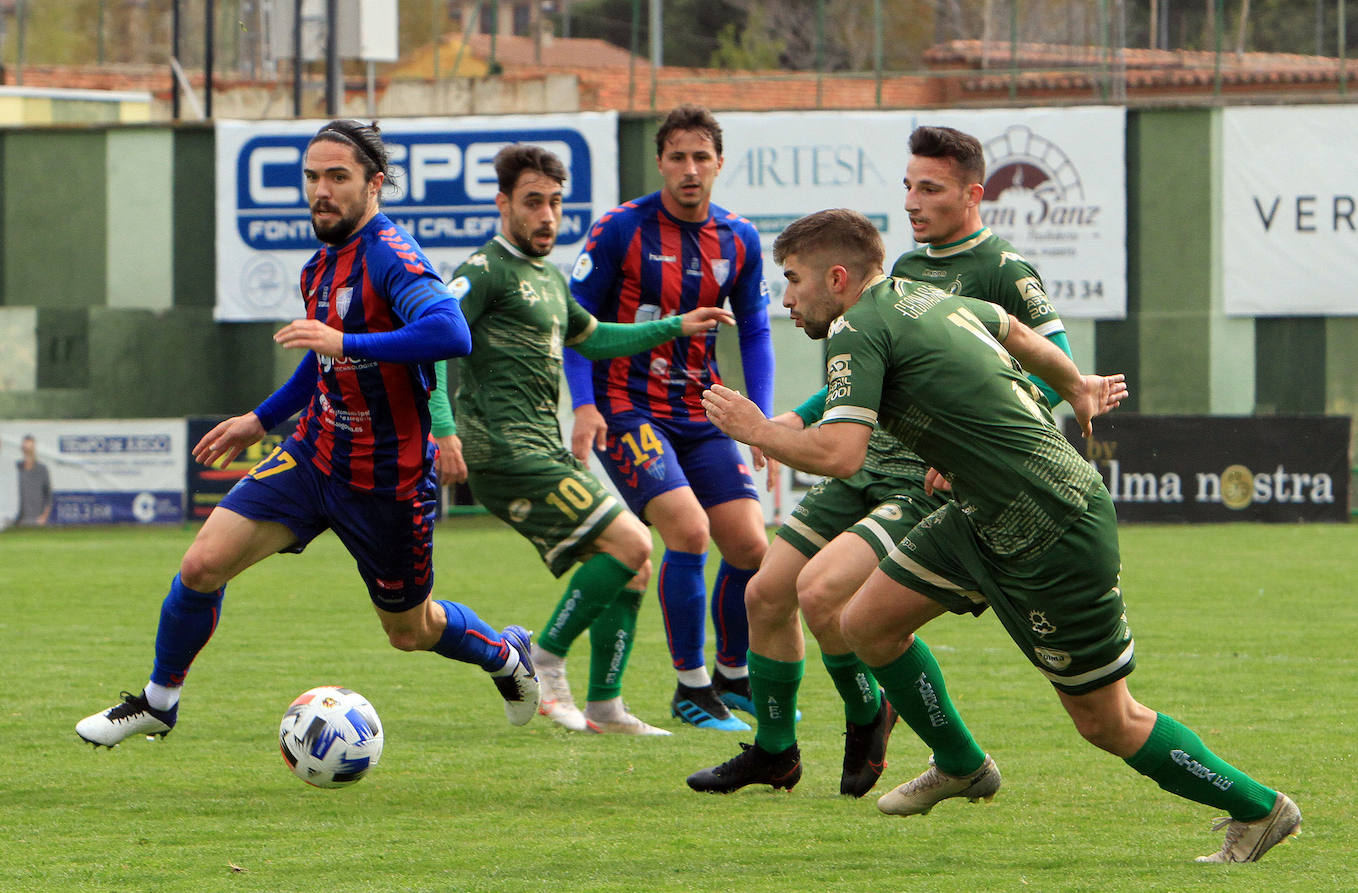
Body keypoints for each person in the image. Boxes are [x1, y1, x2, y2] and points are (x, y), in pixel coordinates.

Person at [701, 208, 1300, 864]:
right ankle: (961, 762)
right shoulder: (922, 295)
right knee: (865, 622)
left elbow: (844, 454)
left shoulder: (856, 325)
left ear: (836, 277)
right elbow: (1012, 328)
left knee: (1105, 719)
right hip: (981, 513)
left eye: (791, 280)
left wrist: (756, 428)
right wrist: (1074, 383)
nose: (784, 296)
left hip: (1052, 523)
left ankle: (1259, 806)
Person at [76, 119, 541, 748]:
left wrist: (345, 340)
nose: (321, 190)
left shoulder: (392, 258)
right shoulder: (321, 265)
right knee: (202, 565)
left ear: (374, 185)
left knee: (411, 630)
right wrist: (258, 420)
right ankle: (159, 702)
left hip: (387, 481)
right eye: (313, 178)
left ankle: (505, 652)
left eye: (338, 177)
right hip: (315, 456)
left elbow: (450, 332)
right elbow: (322, 364)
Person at [688, 125, 1073, 798]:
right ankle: (776, 751)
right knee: (767, 592)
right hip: (860, 461)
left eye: (929, 188)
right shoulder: (902, 273)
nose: (913, 203)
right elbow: (864, 375)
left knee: (825, 595)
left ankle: (895, 723)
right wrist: (795, 420)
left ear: (972, 194)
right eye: (908, 187)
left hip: (917, 476)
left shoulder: (1001, 270)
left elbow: (1055, 373)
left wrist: (972, 453)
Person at [431, 144, 735, 736]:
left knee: (632, 565)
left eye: (554, 203)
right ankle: (542, 661)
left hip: (541, 448)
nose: (547, 217)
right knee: (631, 544)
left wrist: (675, 324)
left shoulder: (545, 276)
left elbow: (592, 339)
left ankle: (605, 707)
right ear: (503, 204)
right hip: (502, 449)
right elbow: (434, 337)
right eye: (532, 203)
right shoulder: (483, 270)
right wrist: (443, 428)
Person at [564, 103, 774, 731]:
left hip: (700, 410)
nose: (690, 170)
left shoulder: (739, 238)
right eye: (677, 157)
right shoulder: (620, 230)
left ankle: (733, 677)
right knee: (688, 532)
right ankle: (690, 688)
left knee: (750, 545)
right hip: (626, 408)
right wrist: (582, 404)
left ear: (719, 164)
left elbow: (757, 331)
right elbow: (575, 325)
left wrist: (757, 417)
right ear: (659, 161)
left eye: (701, 158)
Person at [15, 434, 51, 526]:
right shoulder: (16, 469)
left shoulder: (42, 470)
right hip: (18, 522)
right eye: (26, 449)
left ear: (34, 449)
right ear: (22, 449)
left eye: (30, 449)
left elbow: (48, 497)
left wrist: (43, 517)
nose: (28, 451)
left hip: (37, 522)